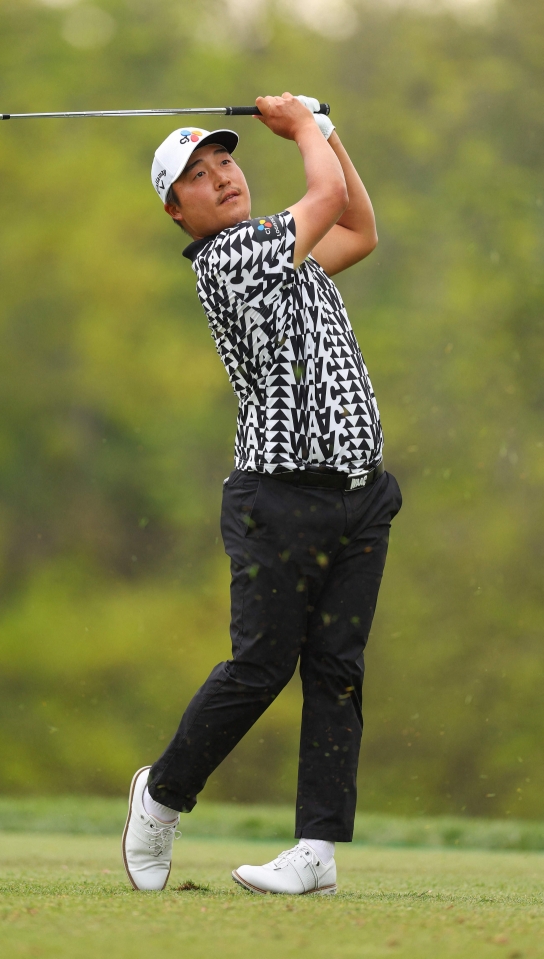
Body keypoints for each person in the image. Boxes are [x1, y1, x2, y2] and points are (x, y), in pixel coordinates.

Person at [122, 93, 402, 896]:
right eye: (199, 179)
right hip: (277, 501)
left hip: (359, 497)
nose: (223, 179)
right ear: (179, 213)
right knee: (260, 667)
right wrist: (305, 128)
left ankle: (316, 849)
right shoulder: (232, 261)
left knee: (338, 671)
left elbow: (360, 227)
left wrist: (331, 131)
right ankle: (162, 793)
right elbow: (320, 201)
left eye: (226, 163)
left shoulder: (293, 256)